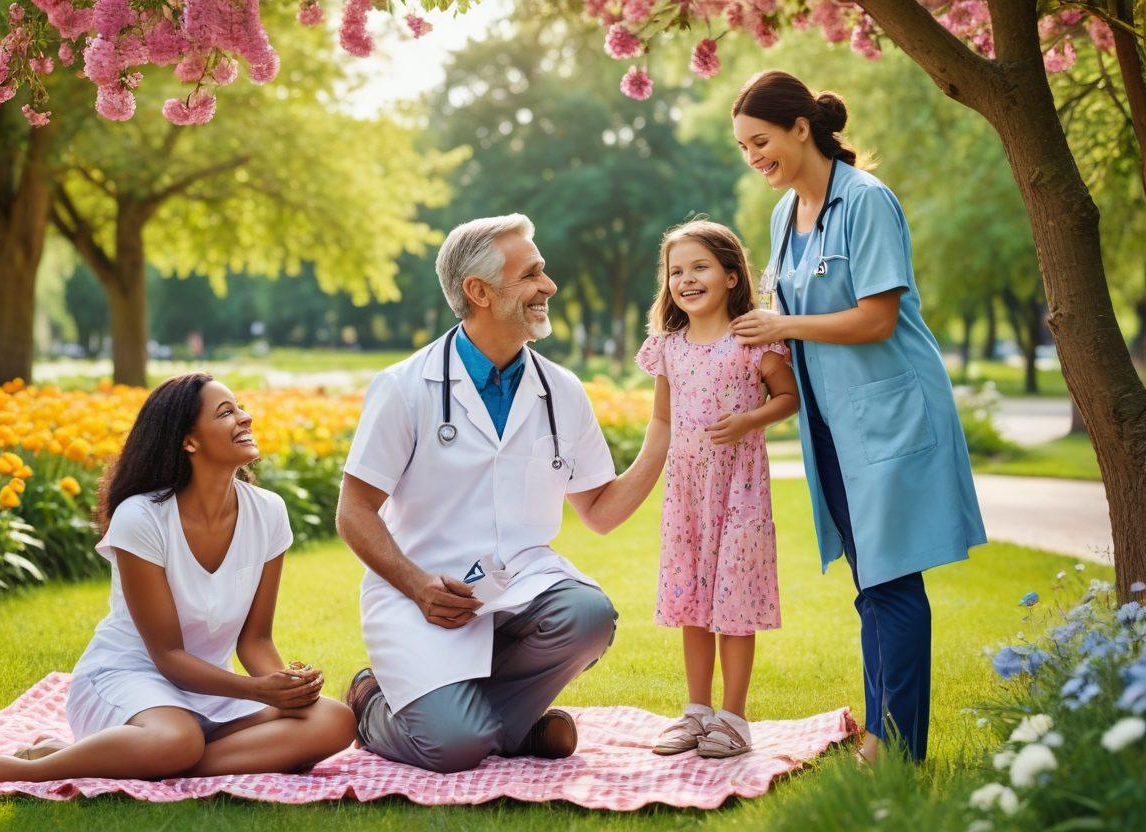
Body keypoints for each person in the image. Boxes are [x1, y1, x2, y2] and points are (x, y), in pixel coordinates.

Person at [336, 214, 669, 773]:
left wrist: (664, 432)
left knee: (588, 615)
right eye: (532, 274)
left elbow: (600, 511)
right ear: (479, 291)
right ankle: (372, 703)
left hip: (520, 586)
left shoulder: (561, 390)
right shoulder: (404, 388)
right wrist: (416, 585)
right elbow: (354, 511)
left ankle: (497, 724)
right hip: (424, 591)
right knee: (451, 748)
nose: (549, 286)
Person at [730, 71, 986, 763]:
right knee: (869, 583)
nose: (754, 158)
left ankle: (895, 747)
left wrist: (784, 324)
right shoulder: (785, 216)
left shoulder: (866, 200)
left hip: (890, 413)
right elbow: (786, 316)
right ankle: (882, 734)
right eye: (744, 148)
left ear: (801, 129)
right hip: (831, 422)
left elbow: (877, 319)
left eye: (761, 142)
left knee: (891, 579)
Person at [0, 373, 354, 783]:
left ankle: (147, 760)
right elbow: (167, 654)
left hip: (213, 689)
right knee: (176, 740)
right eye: (226, 412)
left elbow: (255, 640)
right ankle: (36, 768)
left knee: (333, 720)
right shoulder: (141, 517)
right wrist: (257, 692)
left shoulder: (268, 512)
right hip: (129, 678)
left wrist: (286, 689)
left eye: (240, 408)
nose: (245, 417)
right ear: (189, 441)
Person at [635, 220, 799, 758]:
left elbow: (788, 397)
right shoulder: (667, 348)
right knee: (691, 600)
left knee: (735, 598)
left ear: (731, 276)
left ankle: (733, 717)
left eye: (700, 267)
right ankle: (696, 711)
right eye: (676, 271)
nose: (686, 279)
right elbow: (663, 418)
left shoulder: (752, 339)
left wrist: (748, 421)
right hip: (687, 494)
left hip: (739, 491)